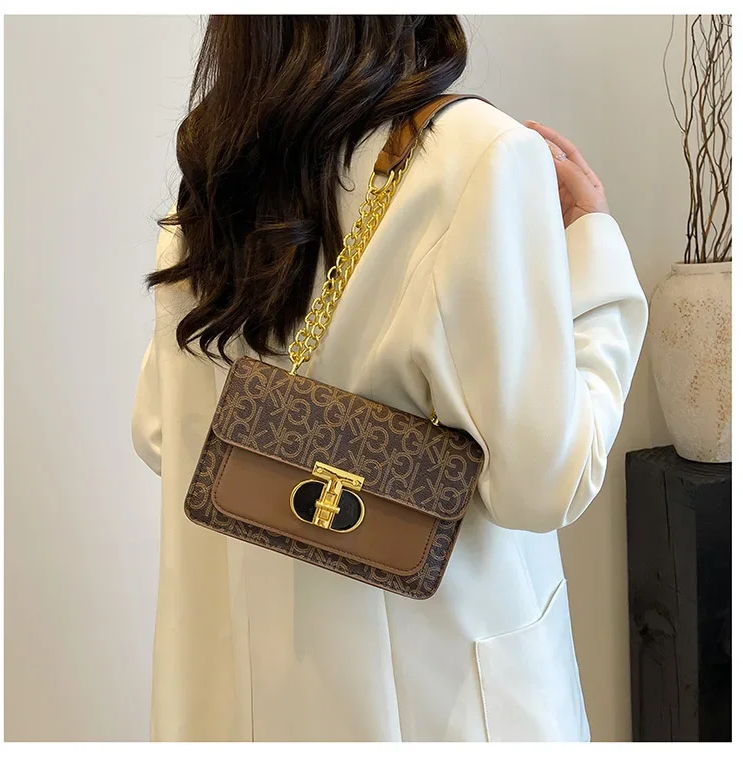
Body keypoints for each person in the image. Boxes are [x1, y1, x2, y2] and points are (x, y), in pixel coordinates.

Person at [132, 16, 648, 742]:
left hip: (241, 708)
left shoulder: (215, 169)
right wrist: (593, 255)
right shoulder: (480, 156)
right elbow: (546, 481)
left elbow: (158, 432)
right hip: (440, 708)